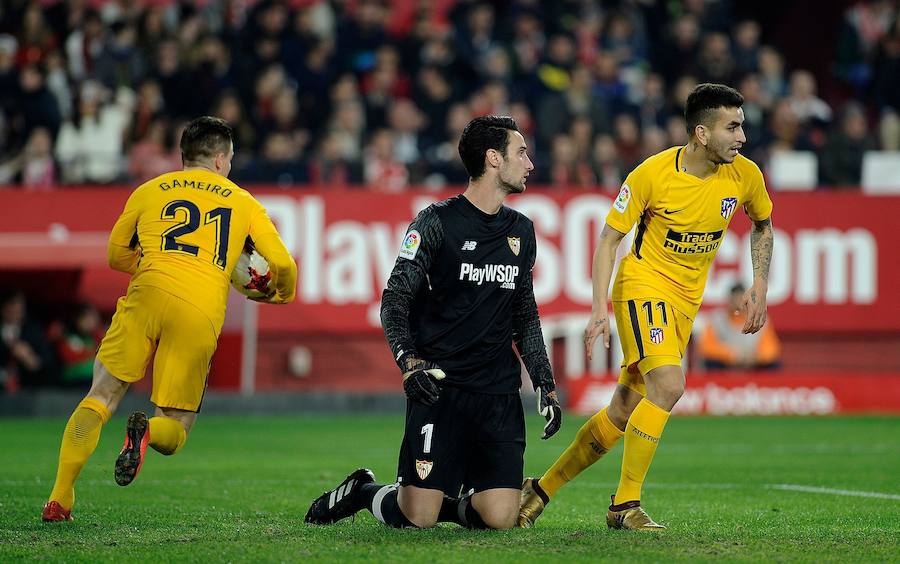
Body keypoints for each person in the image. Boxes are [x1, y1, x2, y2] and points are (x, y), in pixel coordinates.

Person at [519, 83, 774, 530]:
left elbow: (763, 226)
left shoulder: (745, 175)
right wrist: (599, 306)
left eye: (742, 126)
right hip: (642, 287)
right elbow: (609, 238)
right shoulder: (651, 175)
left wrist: (760, 284)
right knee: (670, 385)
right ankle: (625, 506)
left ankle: (540, 489)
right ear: (701, 132)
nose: (742, 137)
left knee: (622, 409)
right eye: (731, 127)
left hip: (685, 303)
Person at [304, 115, 562, 531]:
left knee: (500, 518)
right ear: (493, 159)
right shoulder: (436, 222)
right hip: (440, 387)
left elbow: (524, 314)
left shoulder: (522, 231)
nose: (530, 164)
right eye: (521, 153)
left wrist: (545, 384)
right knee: (417, 518)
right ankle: (364, 491)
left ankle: (457, 494)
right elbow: (394, 299)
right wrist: (409, 362)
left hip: (497, 391)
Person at [42, 116, 298, 522]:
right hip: (198, 309)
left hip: (146, 293)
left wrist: (157, 264)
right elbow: (281, 262)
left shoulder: (148, 191)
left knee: (100, 395)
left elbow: (115, 255)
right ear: (219, 159)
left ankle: (60, 498)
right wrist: (283, 292)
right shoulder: (242, 201)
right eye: (230, 158)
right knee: (175, 429)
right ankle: (146, 434)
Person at [699, 282, 781, 370]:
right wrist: (730, 355)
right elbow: (707, 347)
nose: (738, 304)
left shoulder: (759, 319)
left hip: (753, 365)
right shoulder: (717, 319)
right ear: (729, 300)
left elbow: (771, 349)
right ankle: (714, 384)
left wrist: (755, 357)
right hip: (725, 366)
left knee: (773, 364)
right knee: (711, 363)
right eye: (735, 299)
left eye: (741, 299)